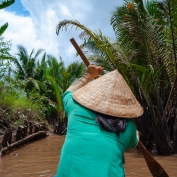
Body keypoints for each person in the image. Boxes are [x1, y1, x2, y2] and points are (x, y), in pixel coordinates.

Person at [54, 64, 143, 177]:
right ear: (122, 102)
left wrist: (89, 75)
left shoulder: (75, 107)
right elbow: (133, 143)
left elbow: (68, 93)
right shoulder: (128, 125)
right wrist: (136, 134)